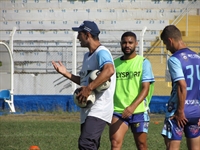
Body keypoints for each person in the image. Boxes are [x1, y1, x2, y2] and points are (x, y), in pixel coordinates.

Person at [52, 20, 116, 150]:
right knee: (90, 145)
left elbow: (109, 70)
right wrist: (66, 74)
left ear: (87, 35)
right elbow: (84, 81)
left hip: (99, 109)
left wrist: (89, 88)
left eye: (79, 34)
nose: (77, 37)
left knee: (86, 144)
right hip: (87, 110)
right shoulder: (87, 55)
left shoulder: (102, 52)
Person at [109, 31, 155, 150]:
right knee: (115, 143)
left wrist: (132, 107)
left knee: (141, 145)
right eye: (124, 42)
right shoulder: (114, 64)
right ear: (121, 44)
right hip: (118, 111)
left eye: (130, 42)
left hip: (138, 111)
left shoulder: (143, 63)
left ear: (136, 44)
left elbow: (146, 89)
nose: (127, 45)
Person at [160, 25, 200, 150]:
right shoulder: (198, 57)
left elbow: (182, 86)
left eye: (166, 43)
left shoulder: (174, 59)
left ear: (170, 40)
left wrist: (180, 111)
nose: (167, 47)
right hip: (196, 111)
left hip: (179, 111)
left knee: (172, 147)